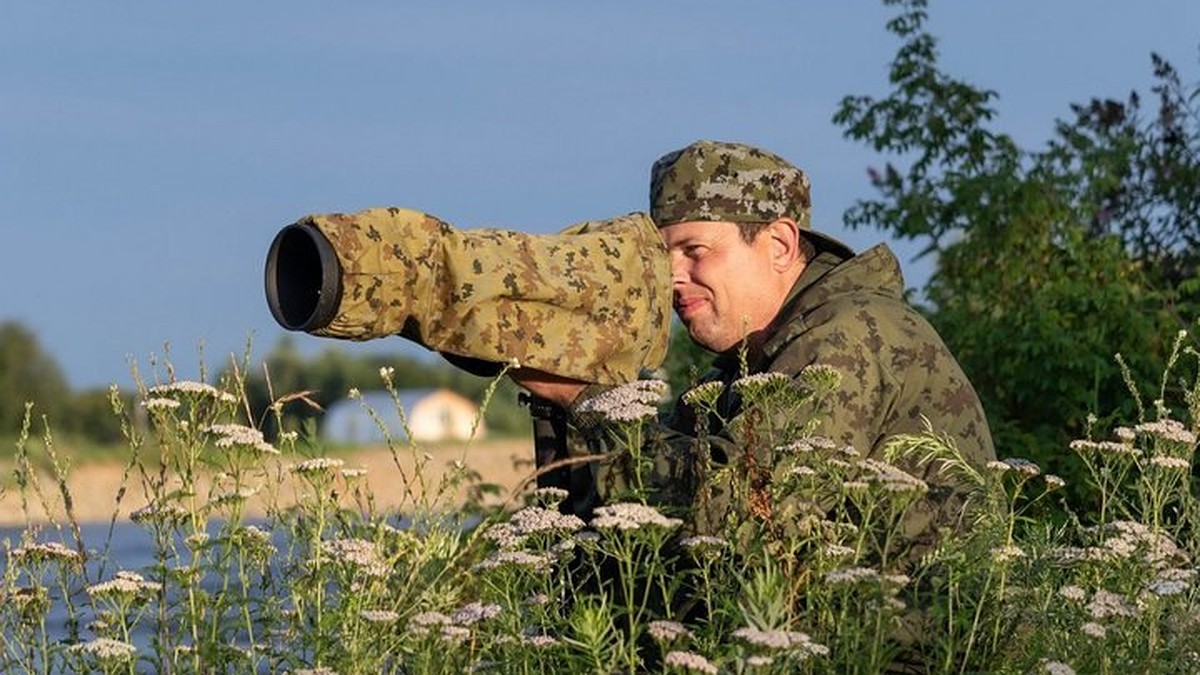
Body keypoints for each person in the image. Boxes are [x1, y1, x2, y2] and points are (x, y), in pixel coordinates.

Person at [512, 139, 995, 551]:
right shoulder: (746, 366)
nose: (672, 277)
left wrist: (585, 400)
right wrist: (556, 394)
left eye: (694, 251)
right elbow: (634, 514)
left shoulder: (851, 335)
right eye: (663, 257)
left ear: (780, 246)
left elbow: (739, 515)